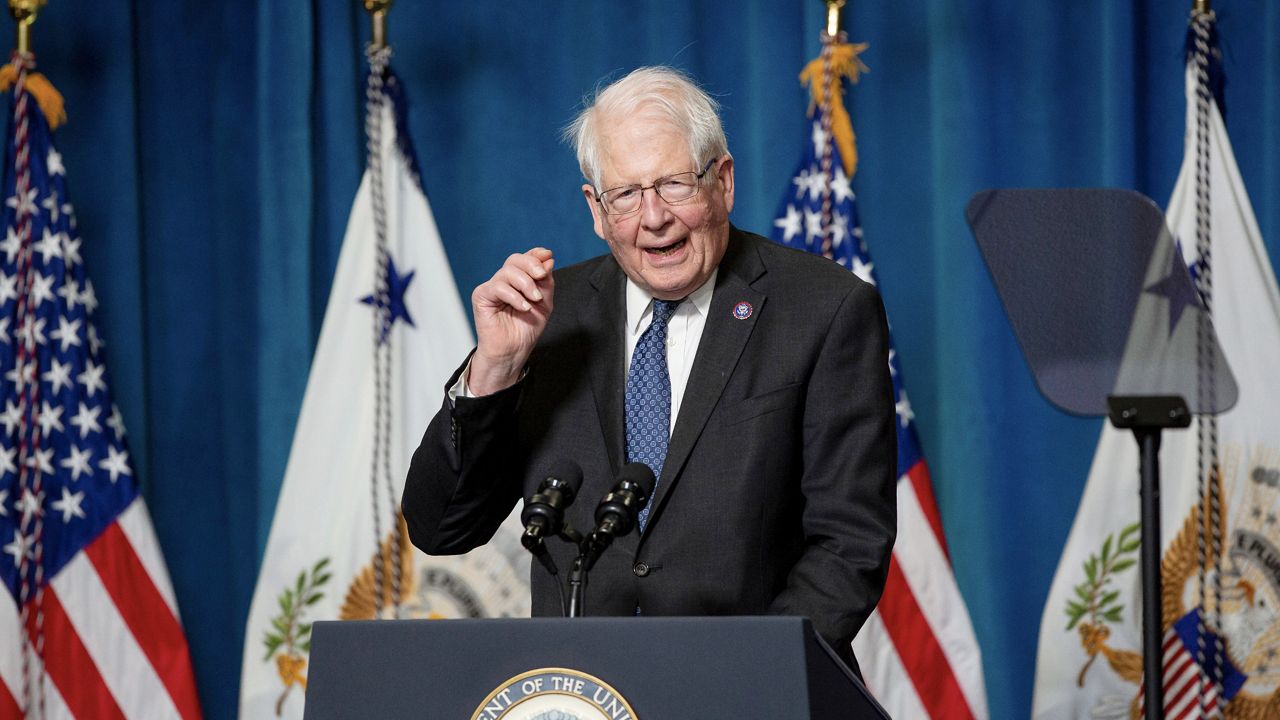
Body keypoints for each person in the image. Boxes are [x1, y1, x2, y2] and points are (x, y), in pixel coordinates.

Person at [402, 66, 896, 671]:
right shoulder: (546, 318)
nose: (653, 217)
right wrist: (494, 370)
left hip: (751, 690)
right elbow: (441, 527)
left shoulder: (824, 309)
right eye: (626, 195)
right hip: (580, 692)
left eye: (674, 185)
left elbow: (849, 545)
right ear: (596, 209)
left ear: (723, 182)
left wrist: (752, 682)